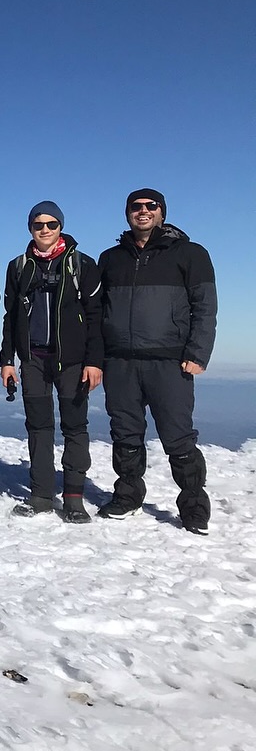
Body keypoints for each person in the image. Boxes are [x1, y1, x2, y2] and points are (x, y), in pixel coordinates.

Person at [97, 189, 217, 534]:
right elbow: (95, 311)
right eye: (136, 207)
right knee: (125, 434)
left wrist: (197, 353)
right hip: (120, 361)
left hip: (170, 361)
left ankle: (193, 505)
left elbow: (205, 306)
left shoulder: (190, 254)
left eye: (151, 206)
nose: (143, 211)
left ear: (162, 212)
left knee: (178, 437)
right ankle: (128, 496)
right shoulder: (112, 258)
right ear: (127, 213)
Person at [0, 202, 103, 523]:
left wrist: (95, 361)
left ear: (61, 226)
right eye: (38, 224)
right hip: (33, 361)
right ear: (30, 228)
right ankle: (42, 494)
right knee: (39, 428)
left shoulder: (82, 265)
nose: (44, 230)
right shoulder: (18, 267)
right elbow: (11, 316)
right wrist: (7, 360)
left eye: (51, 224)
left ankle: (73, 498)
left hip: (73, 363)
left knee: (74, 427)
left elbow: (97, 317)